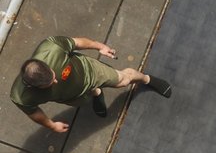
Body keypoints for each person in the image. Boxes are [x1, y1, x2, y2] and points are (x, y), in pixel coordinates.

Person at [10, 35, 171, 132]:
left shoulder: (52, 47)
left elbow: (78, 42)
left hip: (89, 72)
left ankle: (147, 79)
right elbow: (34, 113)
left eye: (54, 76)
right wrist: (51, 125)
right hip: (70, 96)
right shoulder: (21, 97)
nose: (56, 80)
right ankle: (97, 93)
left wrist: (100, 47)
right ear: (34, 87)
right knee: (87, 99)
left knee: (124, 80)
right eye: (51, 84)